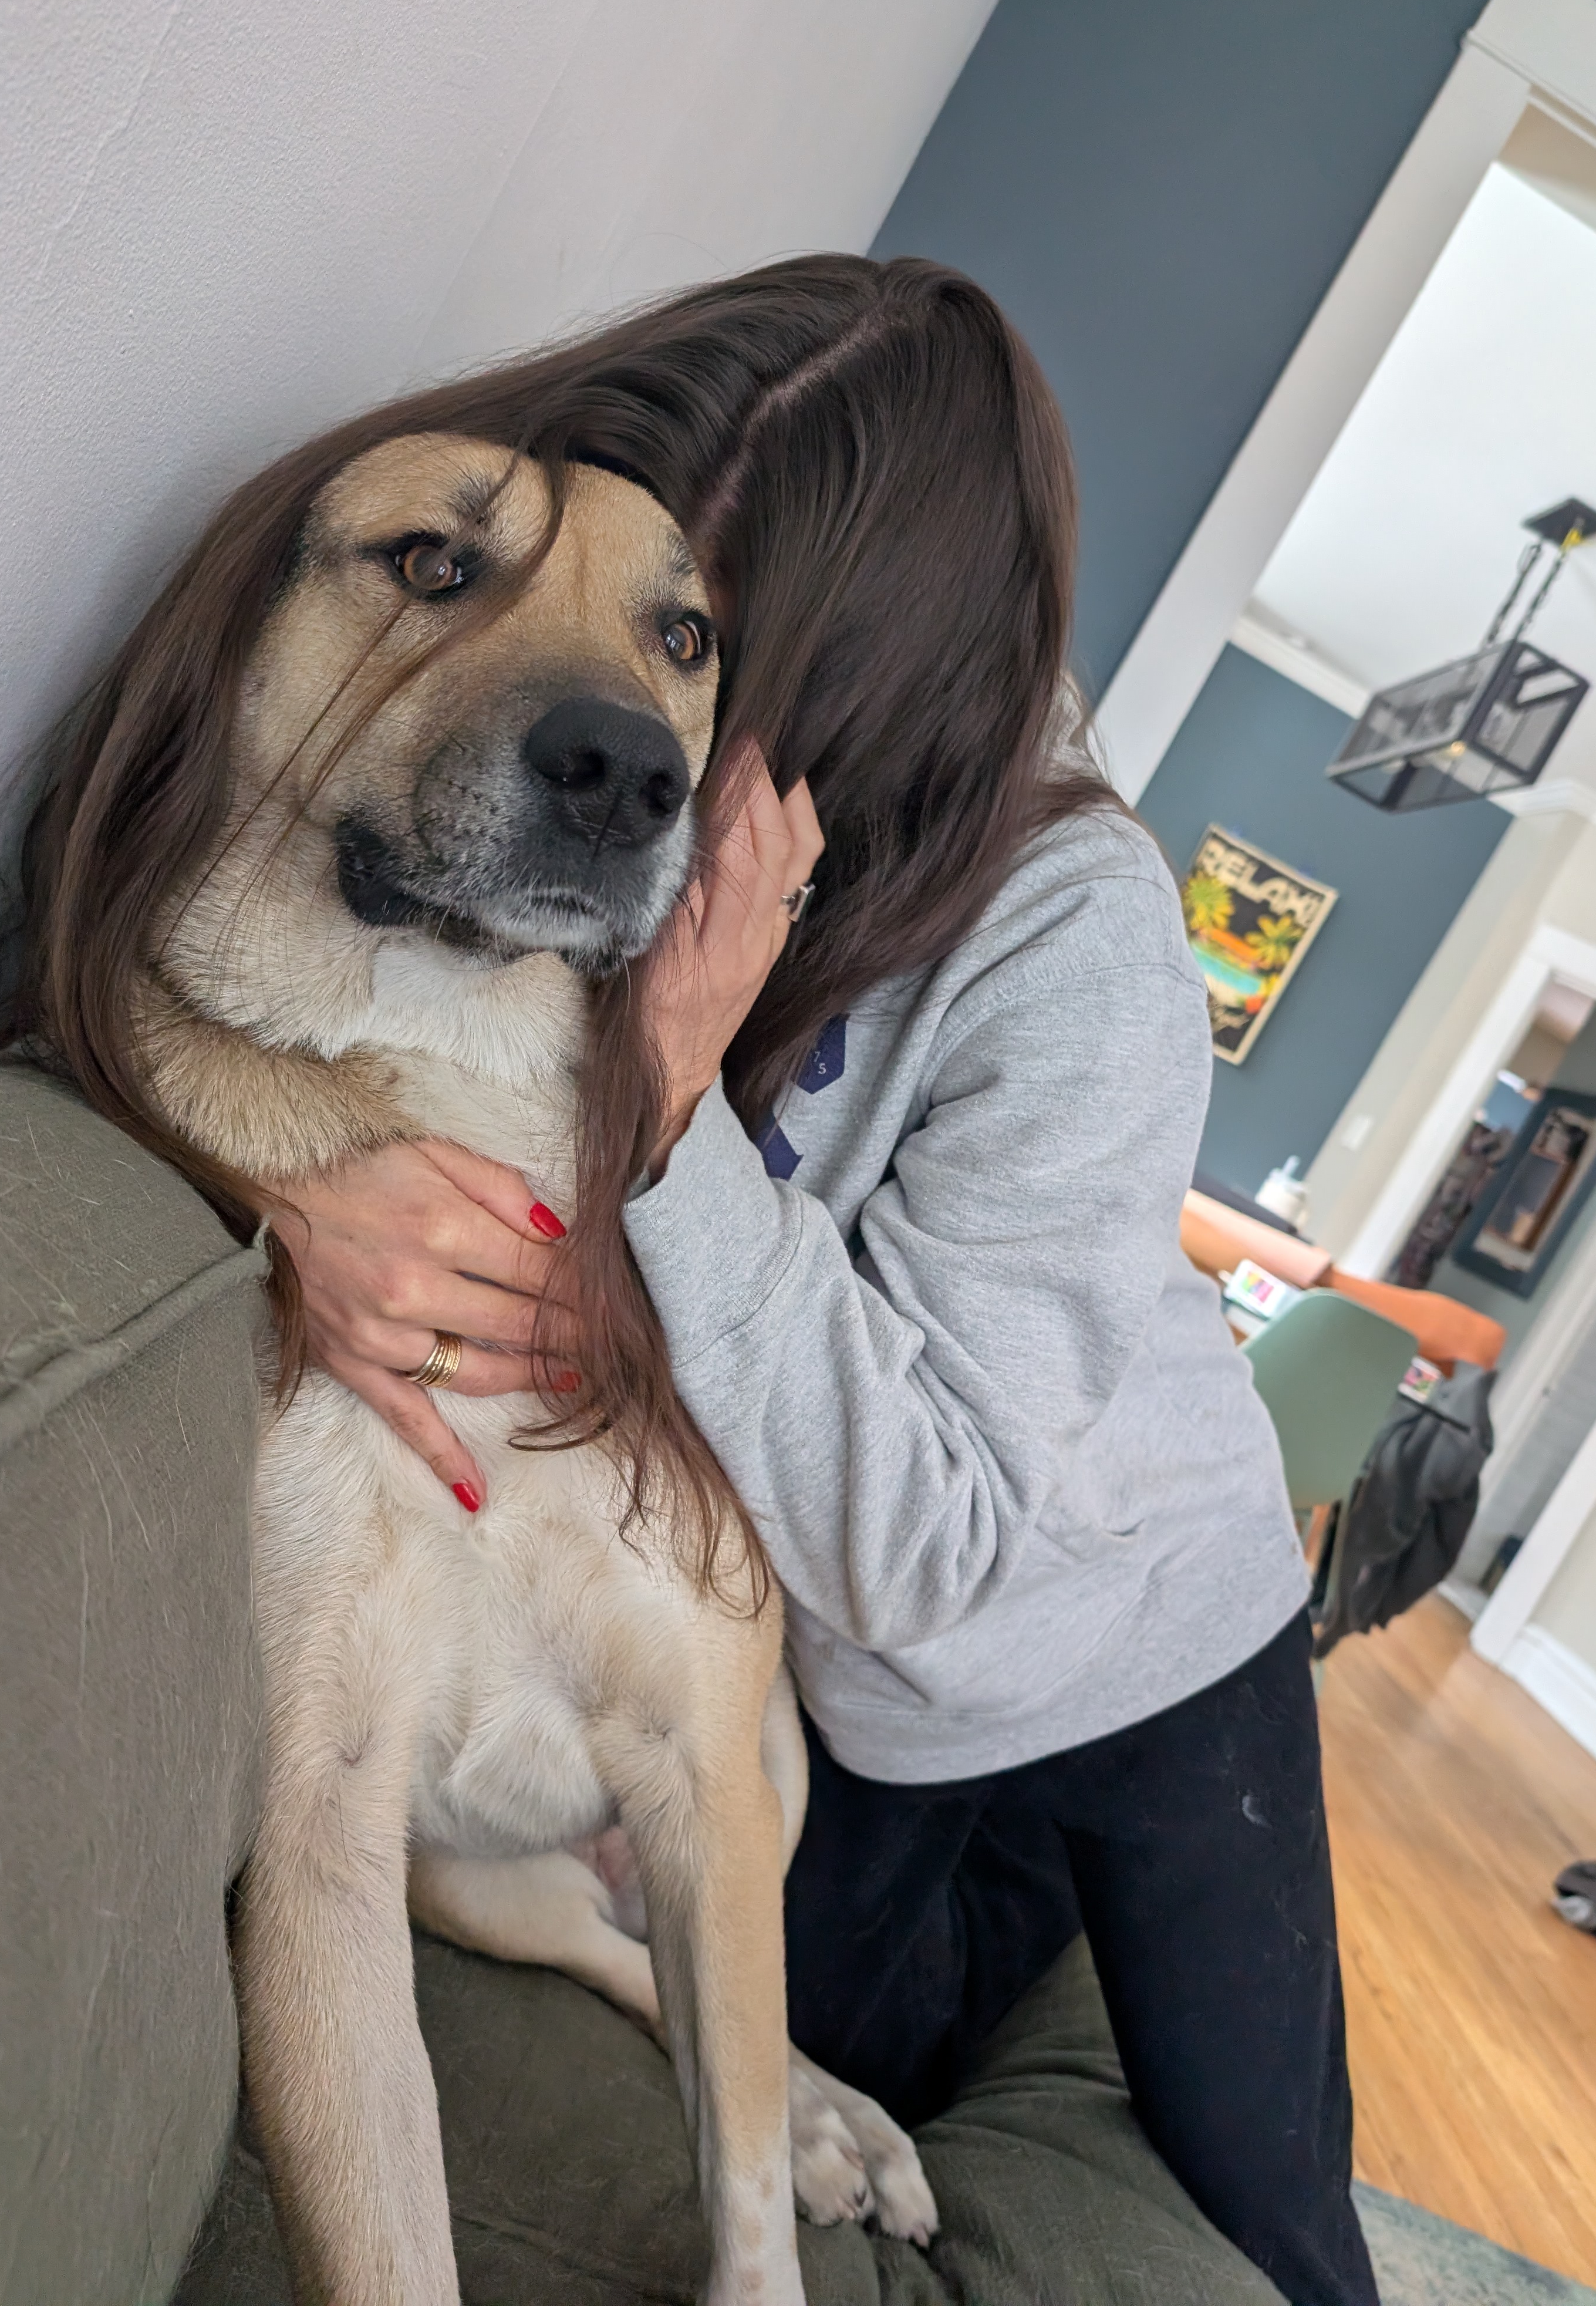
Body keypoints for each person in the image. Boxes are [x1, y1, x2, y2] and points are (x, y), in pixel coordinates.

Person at [264, 257, 1378, 2306]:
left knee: (1273, 2206)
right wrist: (275, 1188)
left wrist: (680, 1108)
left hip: (1134, 1640)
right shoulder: (621, 798)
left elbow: (939, 1555)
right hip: (852, 1693)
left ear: (871, 647)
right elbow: (315, 1023)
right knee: (839, 2059)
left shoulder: (1079, 939)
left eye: (708, 621)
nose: (633, 676)